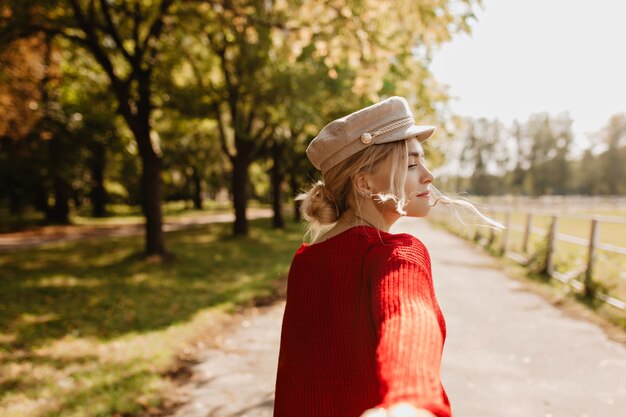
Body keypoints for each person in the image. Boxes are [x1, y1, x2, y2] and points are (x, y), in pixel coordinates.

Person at [273, 96, 451, 417]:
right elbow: (409, 319)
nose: (429, 175)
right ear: (364, 182)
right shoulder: (396, 254)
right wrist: (410, 402)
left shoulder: (305, 261)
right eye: (411, 164)